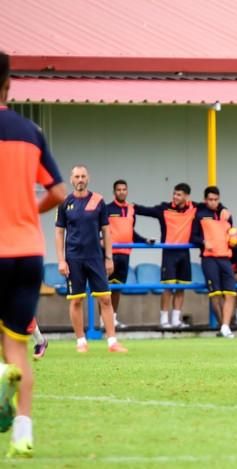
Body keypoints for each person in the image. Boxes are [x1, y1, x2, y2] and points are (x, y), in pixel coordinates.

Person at [0, 49, 67, 458]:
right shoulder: (29, 131)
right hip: (27, 250)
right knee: (18, 345)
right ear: (8, 84)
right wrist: (29, 209)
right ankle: (23, 431)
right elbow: (58, 193)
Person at [55, 165, 128, 353]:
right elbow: (59, 232)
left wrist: (109, 258)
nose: (80, 179)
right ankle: (81, 342)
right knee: (76, 300)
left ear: (88, 179)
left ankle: (112, 342)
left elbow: (106, 231)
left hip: (96, 257)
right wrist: (61, 260)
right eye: (77, 176)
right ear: (71, 179)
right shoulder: (65, 202)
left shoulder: (98, 201)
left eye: (83, 176)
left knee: (105, 298)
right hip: (73, 258)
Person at [135, 183, 196, 329]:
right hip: (169, 253)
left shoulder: (194, 208)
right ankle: (164, 320)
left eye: (179, 195)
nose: (175, 197)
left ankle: (176, 320)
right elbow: (145, 210)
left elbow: (210, 209)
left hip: (184, 252)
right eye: (174, 194)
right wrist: (130, 206)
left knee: (181, 288)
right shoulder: (164, 208)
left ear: (187, 197)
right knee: (168, 287)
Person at [106, 179, 154, 329]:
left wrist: (144, 239)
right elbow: (100, 229)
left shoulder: (132, 209)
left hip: (125, 253)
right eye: (118, 189)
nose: (121, 192)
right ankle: (104, 319)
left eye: (124, 189)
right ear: (114, 192)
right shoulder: (106, 209)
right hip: (110, 254)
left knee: (117, 288)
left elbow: (130, 232)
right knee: (106, 288)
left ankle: (113, 319)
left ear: (127, 191)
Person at [191, 186, 237, 338]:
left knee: (230, 293)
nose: (213, 202)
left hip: (225, 258)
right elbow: (193, 236)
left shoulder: (226, 214)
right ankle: (222, 326)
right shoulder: (199, 214)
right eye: (210, 200)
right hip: (209, 258)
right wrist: (204, 242)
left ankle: (225, 327)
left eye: (216, 200)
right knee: (215, 294)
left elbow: (232, 235)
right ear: (205, 200)